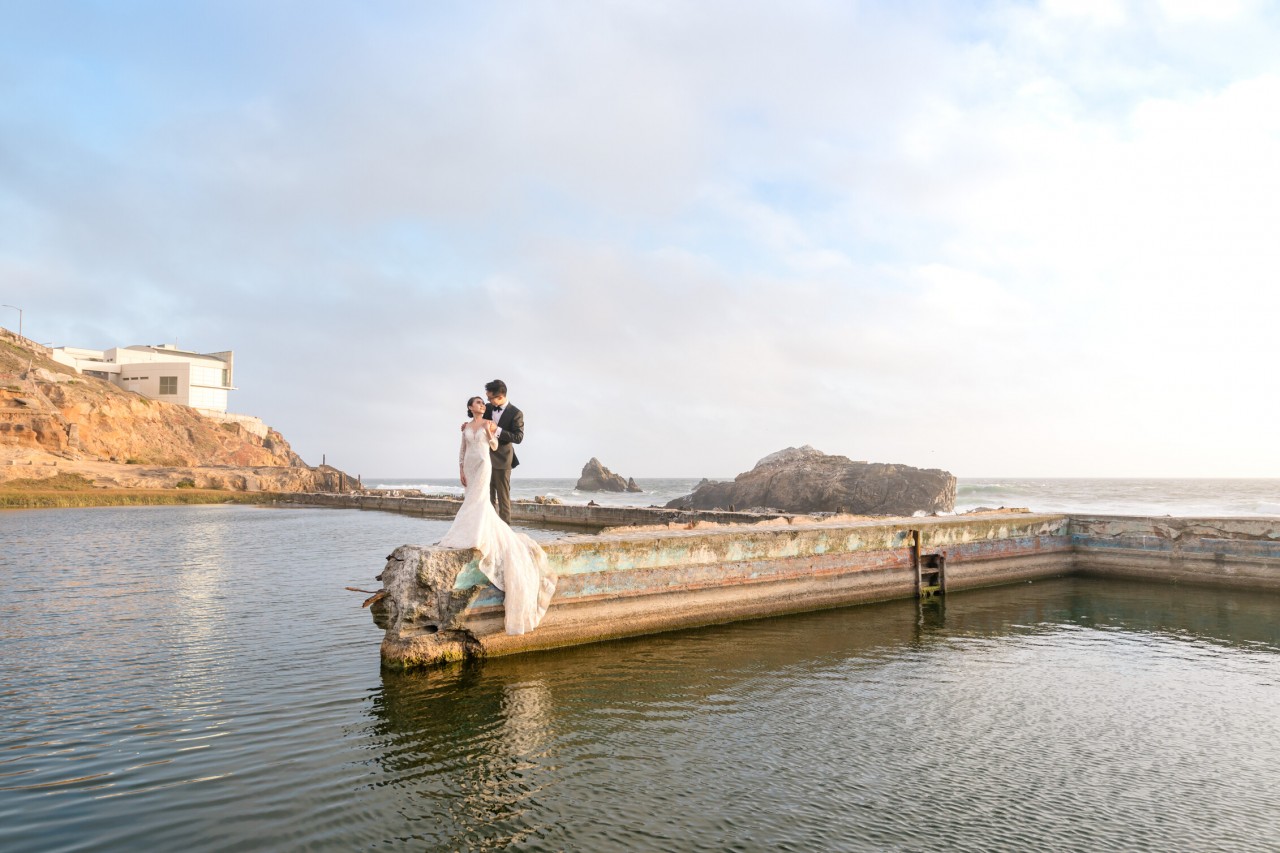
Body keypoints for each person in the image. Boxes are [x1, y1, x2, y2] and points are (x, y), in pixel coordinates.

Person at [439, 396, 555, 635]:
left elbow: (492, 446)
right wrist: (460, 468)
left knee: (482, 499)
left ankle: (481, 534)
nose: (483, 405)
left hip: (484, 463)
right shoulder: (466, 427)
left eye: (484, 403)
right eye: (478, 403)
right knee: (472, 499)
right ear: (470, 407)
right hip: (470, 464)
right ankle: (472, 531)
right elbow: (462, 450)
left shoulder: (487, 424)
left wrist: (492, 433)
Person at [482, 379, 523, 525]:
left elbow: (518, 437)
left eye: (490, 398)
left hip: (503, 459)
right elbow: (473, 415)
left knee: (503, 496)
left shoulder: (516, 413)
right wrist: (467, 425)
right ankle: (489, 527)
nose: (488, 401)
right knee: (487, 495)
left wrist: (497, 430)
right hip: (485, 457)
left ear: (500, 396)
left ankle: (506, 531)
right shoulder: (487, 408)